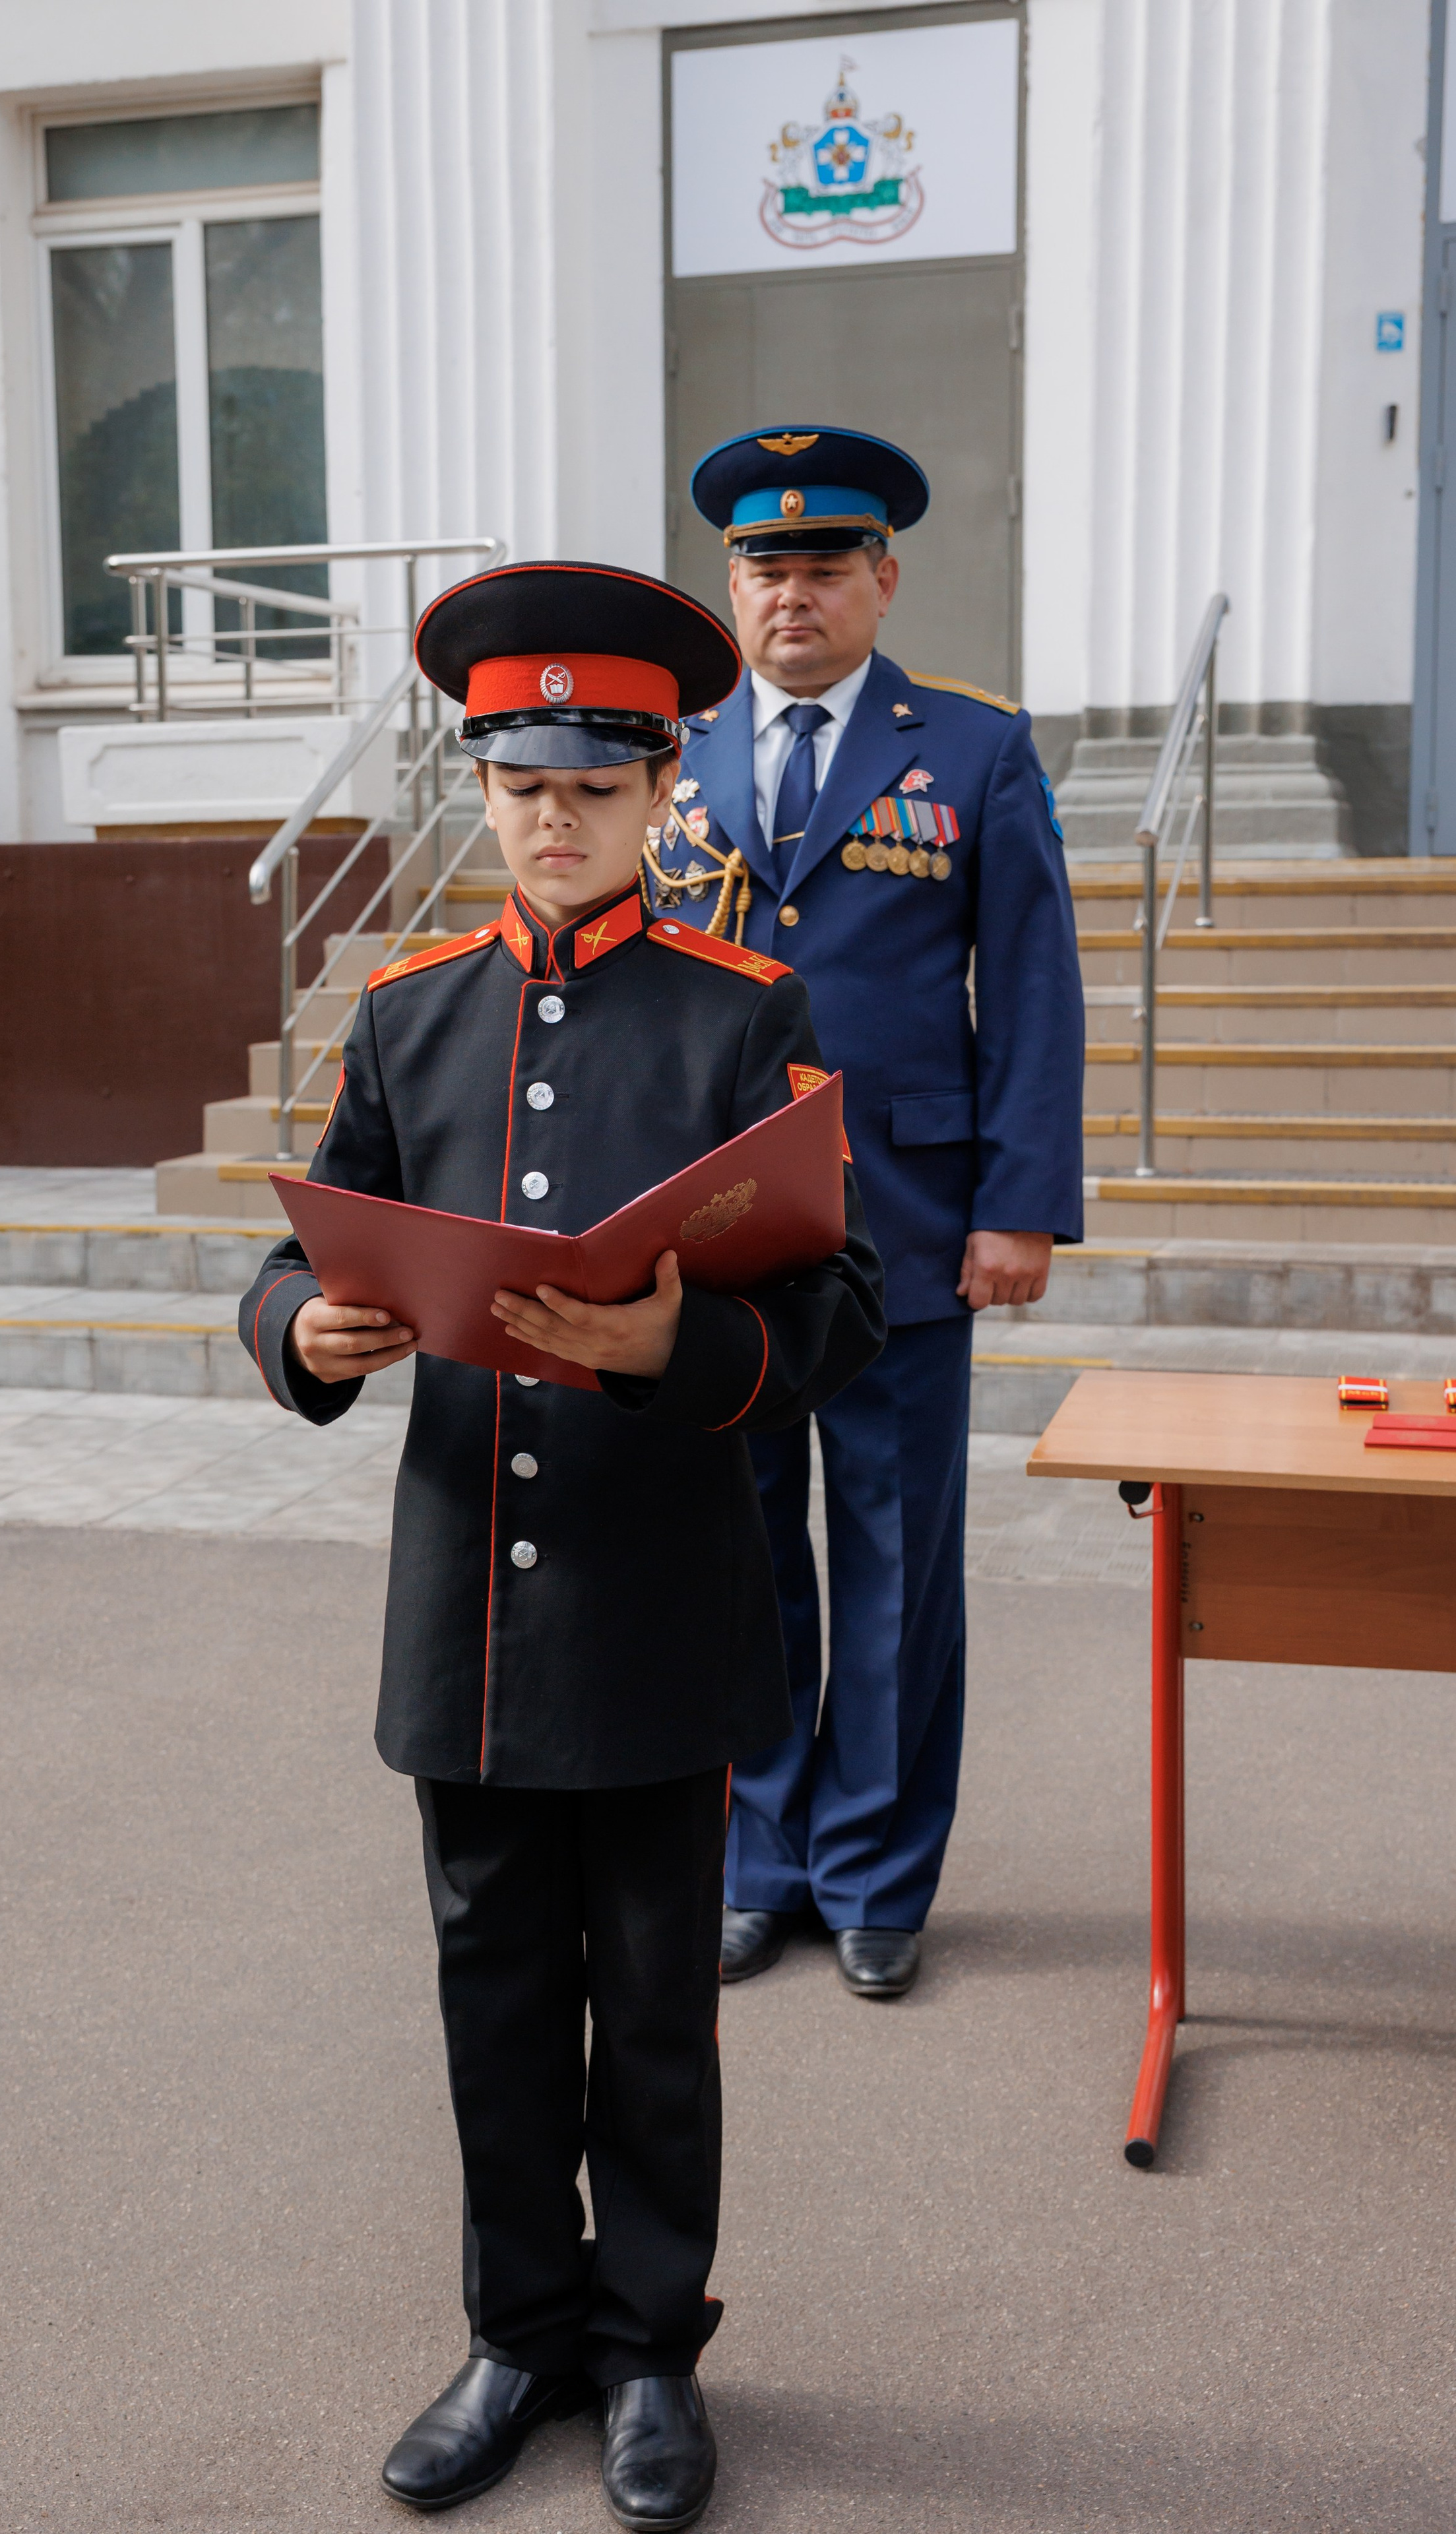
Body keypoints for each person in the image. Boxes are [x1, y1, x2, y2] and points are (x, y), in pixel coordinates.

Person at [237, 561, 885, 2529]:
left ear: (663, 783)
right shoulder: (409, 1010)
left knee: (656, 2009)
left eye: (593, 783)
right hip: (469, 1621)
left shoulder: (741, 1012)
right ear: (486, 784)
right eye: (521, 779)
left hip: (658, 1607)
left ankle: (647, 2353)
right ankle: (517, 2330)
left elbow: (837, 1321)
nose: (551, 814)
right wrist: (303, 1330)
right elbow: (307, 1241)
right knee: (493, 1993)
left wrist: (680, 1340)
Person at [648, 426, 1085, 2001]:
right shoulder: (671, 753)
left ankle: (877, 1870)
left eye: (824, 565)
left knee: (896, 1562)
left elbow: (1030, 990)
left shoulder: (969, 750)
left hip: (908, 1220)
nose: (791, 593)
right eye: (765, 567)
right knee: (741, 1556)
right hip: (717, 1235)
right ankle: (759, 1859)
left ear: (881, 580)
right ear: (730, 584)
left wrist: (1018, 1205)